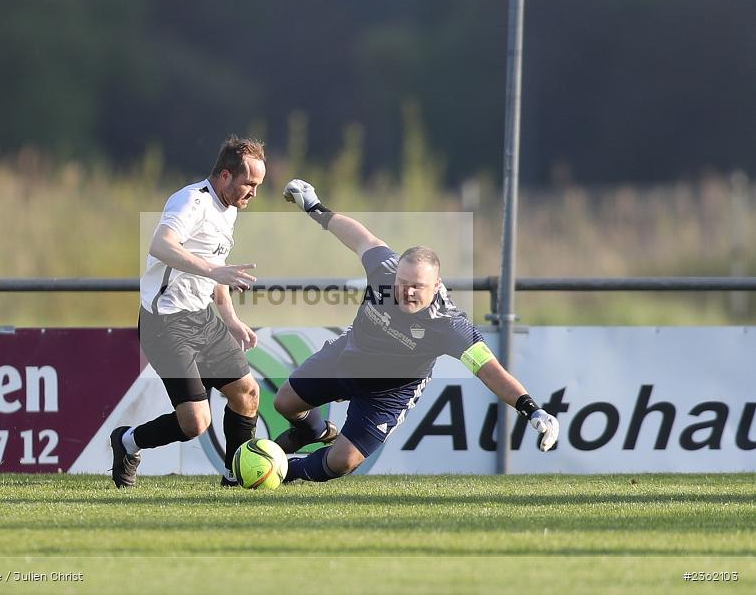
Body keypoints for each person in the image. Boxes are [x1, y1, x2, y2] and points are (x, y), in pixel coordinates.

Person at [273, 179, 559, 482]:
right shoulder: (384, 271)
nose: (406, 292)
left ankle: (281, 473)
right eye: (402, 283)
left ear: (437, 286)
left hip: (388, 393)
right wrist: (316, 209)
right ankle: (315, 431)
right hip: (349, 357)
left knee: (342, 462)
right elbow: (362, 238)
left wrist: (532, 410)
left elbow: (490, 370)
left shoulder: (448, 324)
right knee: (284, 402)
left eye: (417, 287)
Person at [110, 136, 265, 488]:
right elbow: (161, 245)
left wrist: (232, 320)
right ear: (225, 176)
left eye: (258, 185)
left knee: (247, 394)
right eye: (249, 183)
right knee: (195, 422)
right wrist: (213, 271)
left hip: (203, 318)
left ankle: (235, 478)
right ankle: (127, 442)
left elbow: (217, 269)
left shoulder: (229, 210)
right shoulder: (191, 201)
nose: (254, 192)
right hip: (165, 321)